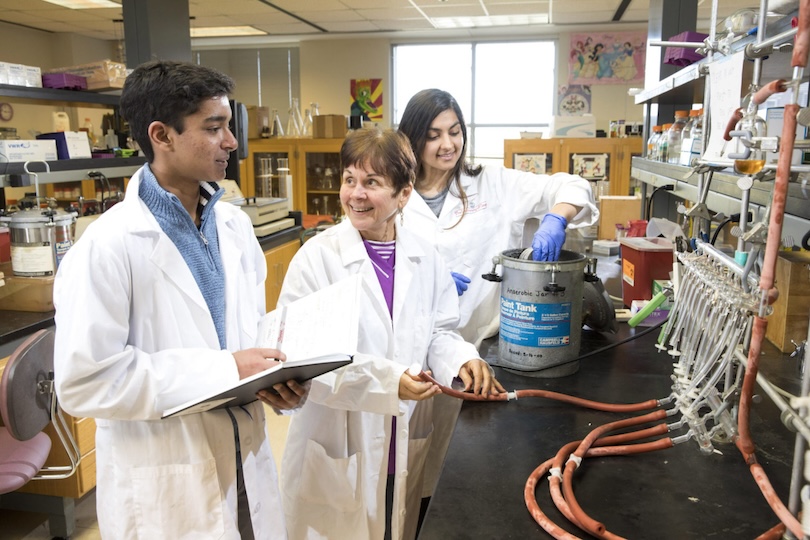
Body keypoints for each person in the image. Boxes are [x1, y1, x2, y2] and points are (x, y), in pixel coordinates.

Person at [53, 59, 306, 539]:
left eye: (229, 126)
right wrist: (227, 370)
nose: (231, 142)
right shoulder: (106, 246)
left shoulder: (233, 226)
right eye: (214, 128)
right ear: (161, 135)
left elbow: (249, 335)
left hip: (246, 460)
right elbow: (84, 382)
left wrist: (280, 378)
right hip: (167, 482)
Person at [274, 125, 503, 540]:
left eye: (372, 183)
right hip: (341, 440)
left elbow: (439, 330)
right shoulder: (316, 260)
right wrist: (387, 382)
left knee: (397, 523)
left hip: (404, 433)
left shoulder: (425, 257)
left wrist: (462, 357)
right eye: (349, 180)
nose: (355, 194)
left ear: (404, 194)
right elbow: (301, 362)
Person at [397, 88, 598, 519]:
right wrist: (419, 282)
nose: (447, 144)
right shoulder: (396, 191)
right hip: (410, 352)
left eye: (455, 132)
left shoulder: (492, 182)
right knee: (406, 478)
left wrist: (554, 217)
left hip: (481, 352)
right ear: (413, 138)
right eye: (433, 135)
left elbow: (571, 184)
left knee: (466, 479)